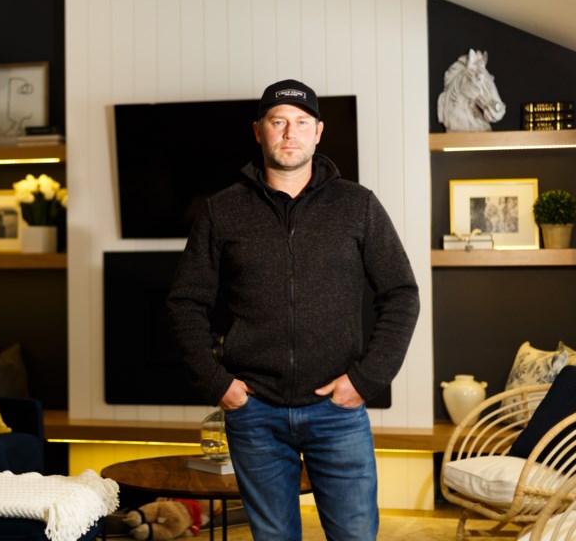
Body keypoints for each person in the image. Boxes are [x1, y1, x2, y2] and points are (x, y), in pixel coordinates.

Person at [167, 79, 420, 541]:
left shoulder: (357, 205)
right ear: (258, 131)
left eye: (301, 122)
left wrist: (366, 381)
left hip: (337, 412)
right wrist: (219, 385)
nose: (290, 133)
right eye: (278, 121)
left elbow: (402, 292)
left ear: (318, 132)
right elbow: (185, 302)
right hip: (254, 412)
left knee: (356, 535)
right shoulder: (221, 211)